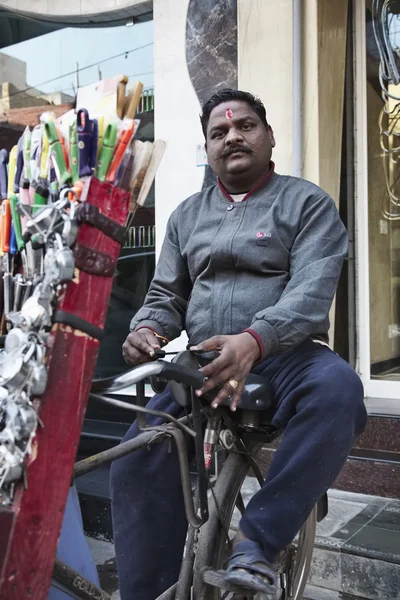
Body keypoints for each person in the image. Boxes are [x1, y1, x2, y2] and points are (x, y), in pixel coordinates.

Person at [111, 89, 367, 599]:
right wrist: (147, 329)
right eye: (218, 132)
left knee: (339, 390)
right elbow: (166, 294)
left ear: (269, 137)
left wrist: (256, 340)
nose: (232, 135)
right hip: (204, 363)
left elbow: (312, 292)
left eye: (245, 126)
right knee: (133, 459)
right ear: (207, 149)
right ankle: (149, 590)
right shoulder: (186, 215)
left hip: (286, 358)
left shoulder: (307, 202)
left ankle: (259, 545)